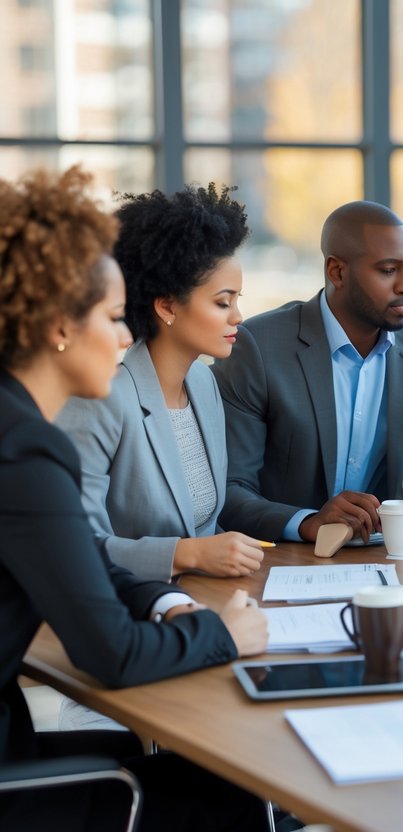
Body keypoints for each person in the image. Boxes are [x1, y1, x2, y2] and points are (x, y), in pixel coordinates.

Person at [0, 166, 268, 830]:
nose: (126, 339)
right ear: (60, 325)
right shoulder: (26, 453)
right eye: (116, 319)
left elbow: (84, 556)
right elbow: (110, 654)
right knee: (228, 790)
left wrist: (166, 598)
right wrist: (220, 633)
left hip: (13, 740)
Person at [212, 200, 403, 545]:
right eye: (388, 270)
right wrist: (309, 521)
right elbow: (229, 489)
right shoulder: (257, 347)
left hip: (385, 558)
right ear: (337, 271)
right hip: (281, 561)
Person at [56, 184, 264, 583]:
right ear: (167, 306)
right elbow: (76, 545)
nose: (237, 316)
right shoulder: (104, 398)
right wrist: (187, 554)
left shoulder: (204, 384)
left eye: (238, 300)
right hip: (130, 609)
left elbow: (205, 526)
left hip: (205, 595)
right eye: (223, 302)